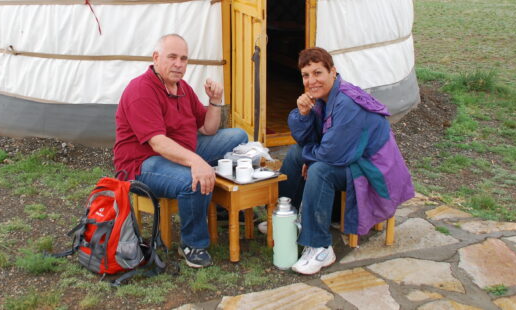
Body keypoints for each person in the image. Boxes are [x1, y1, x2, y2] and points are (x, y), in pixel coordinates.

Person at [113, 33, 248, 268]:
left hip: (181, 150)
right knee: (191, 179)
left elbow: (207, 128)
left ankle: (220, 203)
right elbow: (158, 143)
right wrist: (196, 162)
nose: (179, 64)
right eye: (172, 57)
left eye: (184, 58)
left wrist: (215, 101)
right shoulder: (141, 90)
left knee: (238, 136)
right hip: (143, 163)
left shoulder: (182, 87)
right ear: (156, 58)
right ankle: (192, 244)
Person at [278, 47, 415, 275]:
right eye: (306, 75)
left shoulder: (347, 103)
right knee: (295, 154)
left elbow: (332, 153)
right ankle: (288, 215)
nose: (312, 81)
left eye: (318, 73)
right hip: (350, 158)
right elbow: (308, 139)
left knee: (320, 169)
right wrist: (303, 114)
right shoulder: (323, 97)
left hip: (372, 169)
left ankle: (320, 246)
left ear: (333, 71)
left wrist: (311, 159)